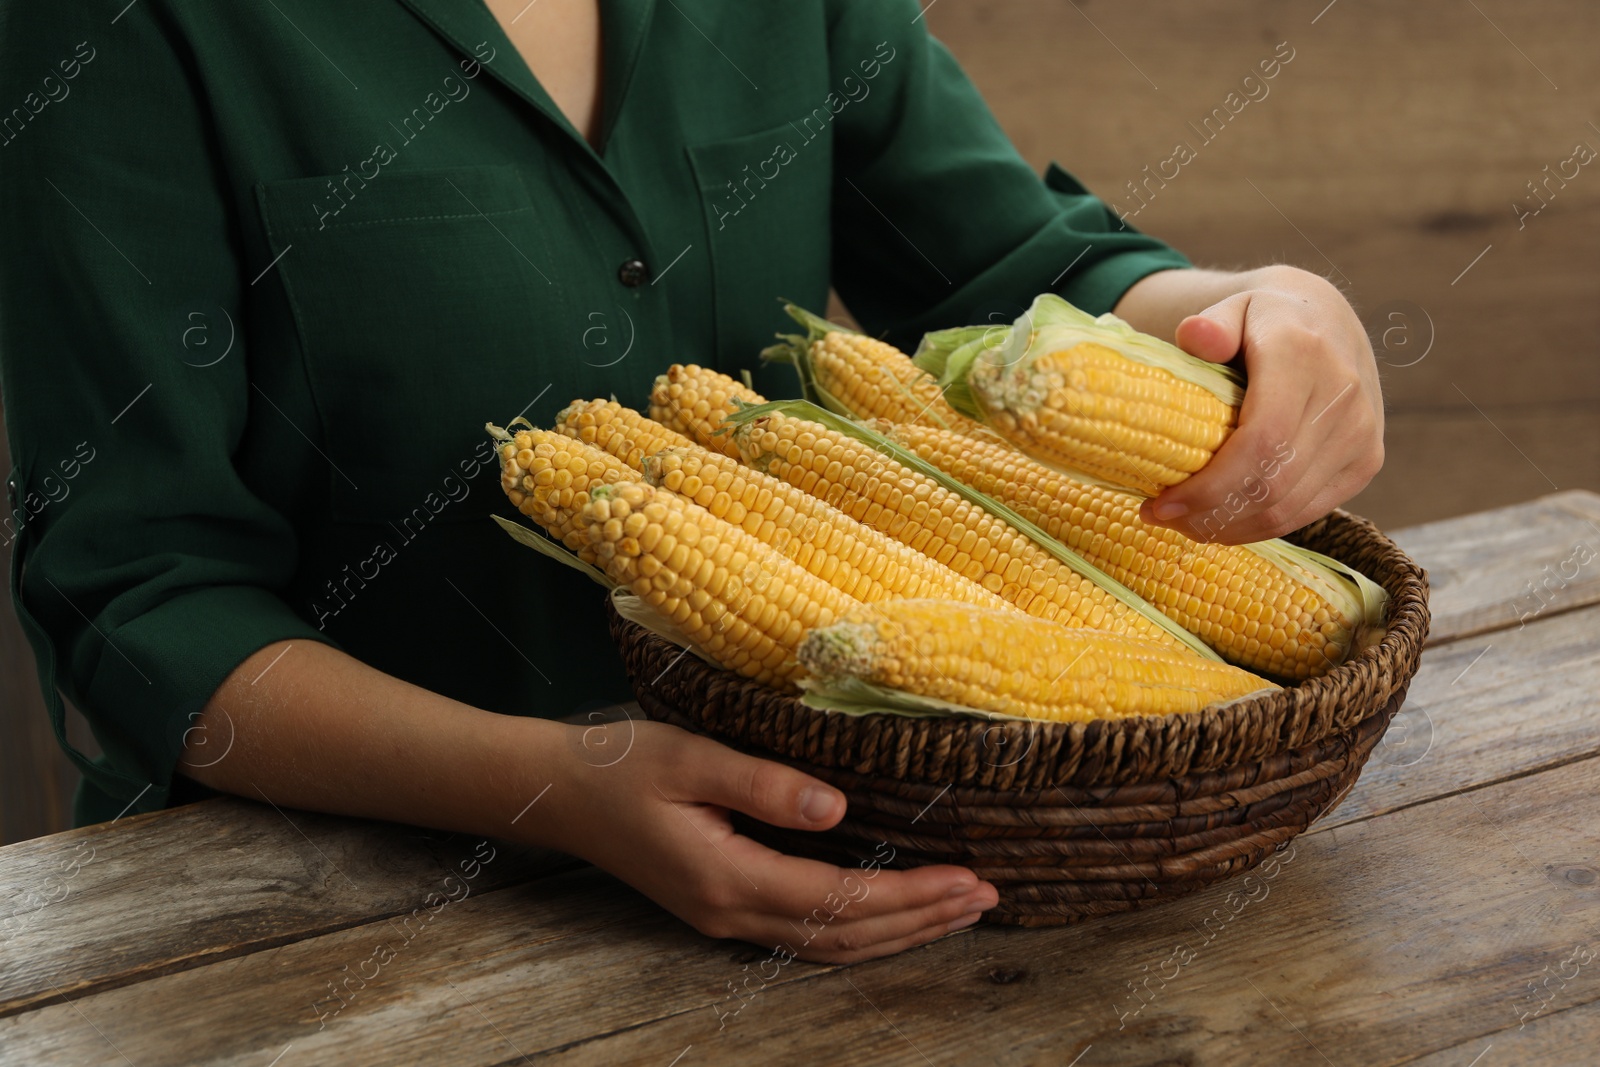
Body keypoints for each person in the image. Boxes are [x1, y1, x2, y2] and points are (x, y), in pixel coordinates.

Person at [0, 0, 1382, 963]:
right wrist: (549, 784)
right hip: (321, 916)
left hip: (818, 866)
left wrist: (1251, 310)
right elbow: (140, 590)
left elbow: (1000, 270)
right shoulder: (108, 20)